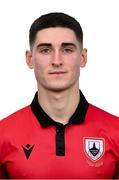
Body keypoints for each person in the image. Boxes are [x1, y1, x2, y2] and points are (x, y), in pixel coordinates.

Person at [0, 12, 119, 179]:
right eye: (46, 50)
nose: (57, 60)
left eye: (67, 49)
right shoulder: (3, 134)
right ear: (30, 59)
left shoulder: (116, 131)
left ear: (83, 57)